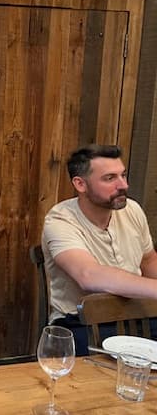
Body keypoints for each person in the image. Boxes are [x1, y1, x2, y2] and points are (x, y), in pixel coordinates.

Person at [42, 144, 157, 356]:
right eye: (110, 178)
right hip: (81, 321)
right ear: (80, 184)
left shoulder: (132, 209)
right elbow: (89, 275)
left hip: (138, 313)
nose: (123, 185)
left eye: (123, 175)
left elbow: (149, 260)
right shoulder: (59, 220)